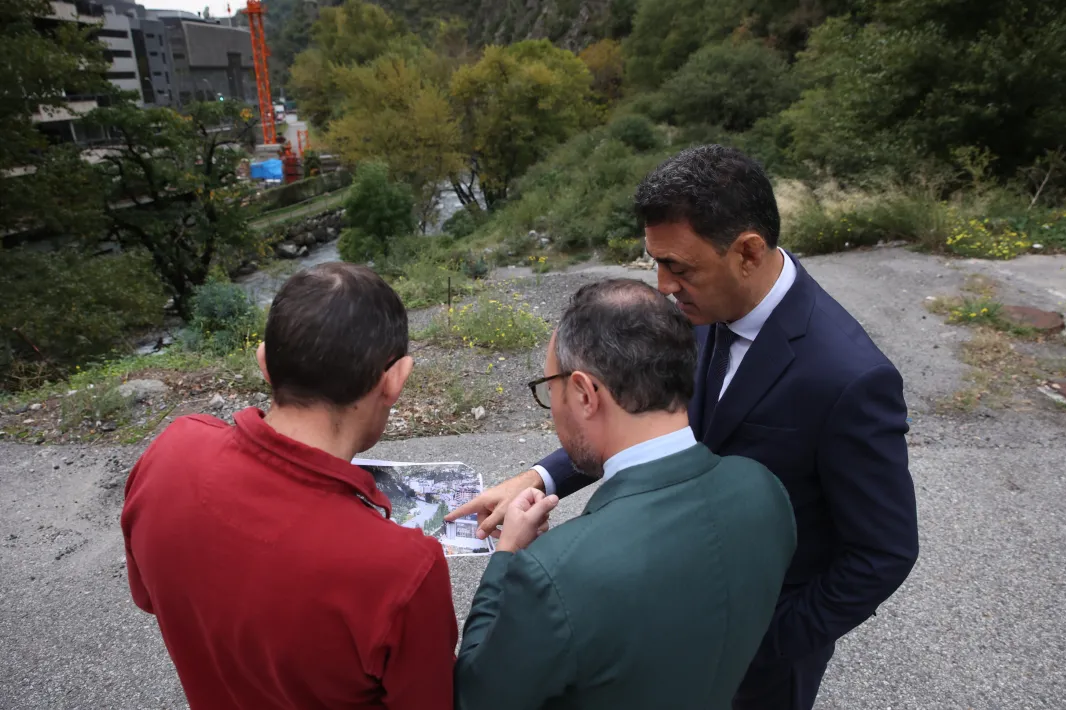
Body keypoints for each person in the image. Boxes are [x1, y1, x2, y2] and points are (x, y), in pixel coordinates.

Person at [448, 145, 920, 710]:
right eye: (656, 261)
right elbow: (639, 415)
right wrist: (539, 479)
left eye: (679, 266)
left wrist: (757, 640)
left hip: (761, 664)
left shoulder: (848, 377)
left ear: (747, 252)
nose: (662, 285)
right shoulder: (694, 312)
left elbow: (883, 552)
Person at [121, 263, 457, 710]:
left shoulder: (170, 450)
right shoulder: (405, 570)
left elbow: (150, 599)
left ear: (264, 363)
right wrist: (505, 570)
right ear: (395, 379)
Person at [454, 279, 797, 710]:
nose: (553, 409)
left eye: (551, 389)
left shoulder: (553, 572)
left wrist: (505, 557)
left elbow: (477, 694)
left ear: (583, 393)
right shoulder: (765, 491)